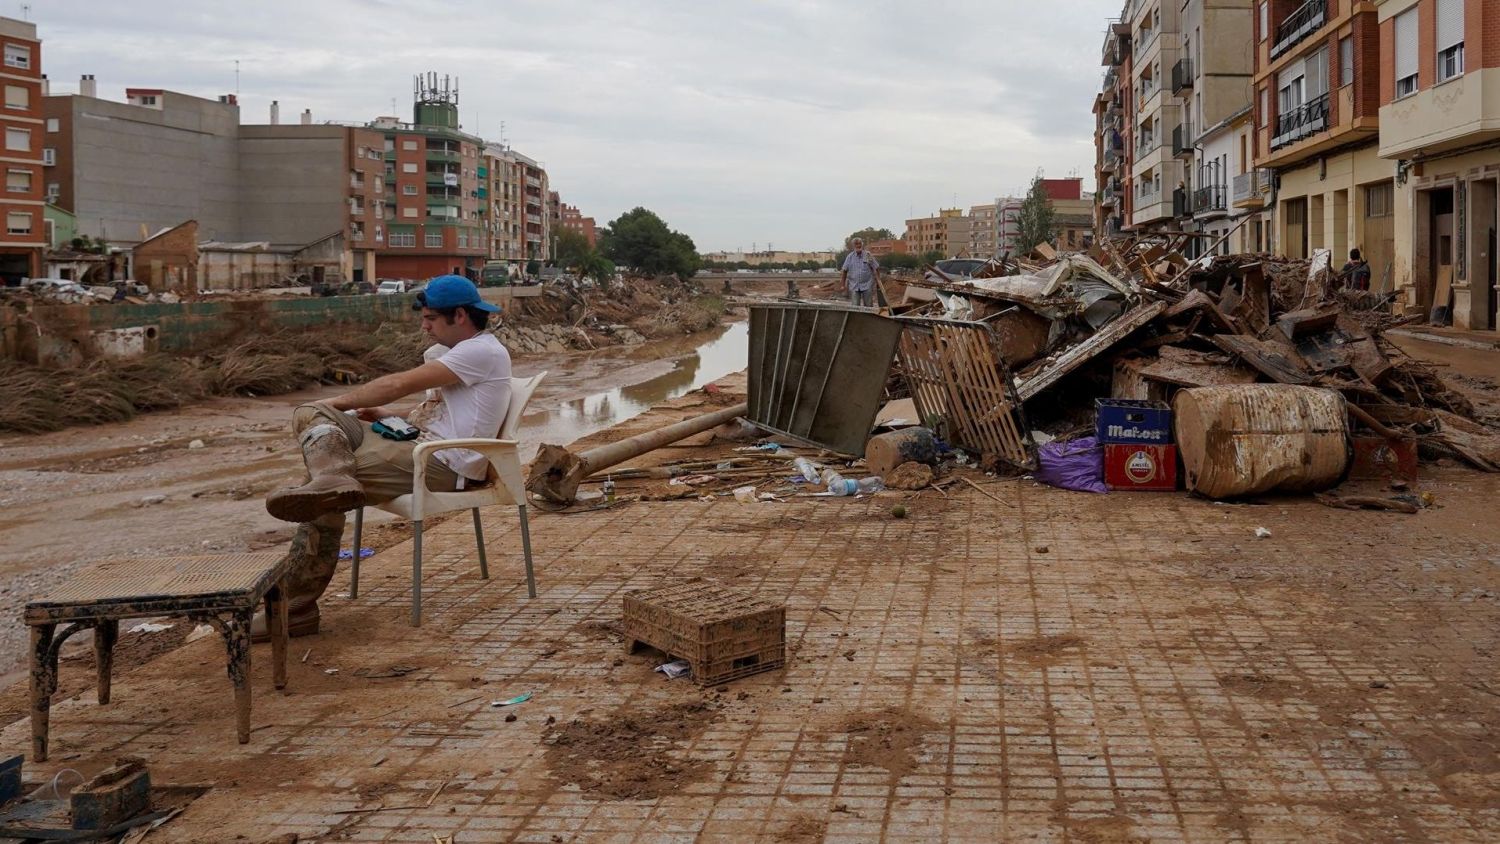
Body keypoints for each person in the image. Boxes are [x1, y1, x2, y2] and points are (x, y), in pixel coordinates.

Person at [256, 274, 513, 639]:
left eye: (430, 319)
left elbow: (395, 384)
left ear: (459, 316)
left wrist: (334, 402)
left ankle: (295, 608)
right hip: (418, 444)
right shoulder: (467, 352)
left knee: (319, 492)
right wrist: (386, 417)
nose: (423, 327)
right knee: (311, 418)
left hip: (441, 464)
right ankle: (334, 476)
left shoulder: (480, 351)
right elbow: (445, 411)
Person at [840, 238, 880, 308]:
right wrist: (843, 285)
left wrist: (878, 282)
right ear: (853, 246)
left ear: (862, 245)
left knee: (868, 306)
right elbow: (844, 271)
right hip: (854, 285)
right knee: (855, 307)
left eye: (859, 244)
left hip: (867, 284)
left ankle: (868, 318)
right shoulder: (850, 257)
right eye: (856, 244)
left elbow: (876, 268)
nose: (858, 245)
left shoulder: (867, 255)